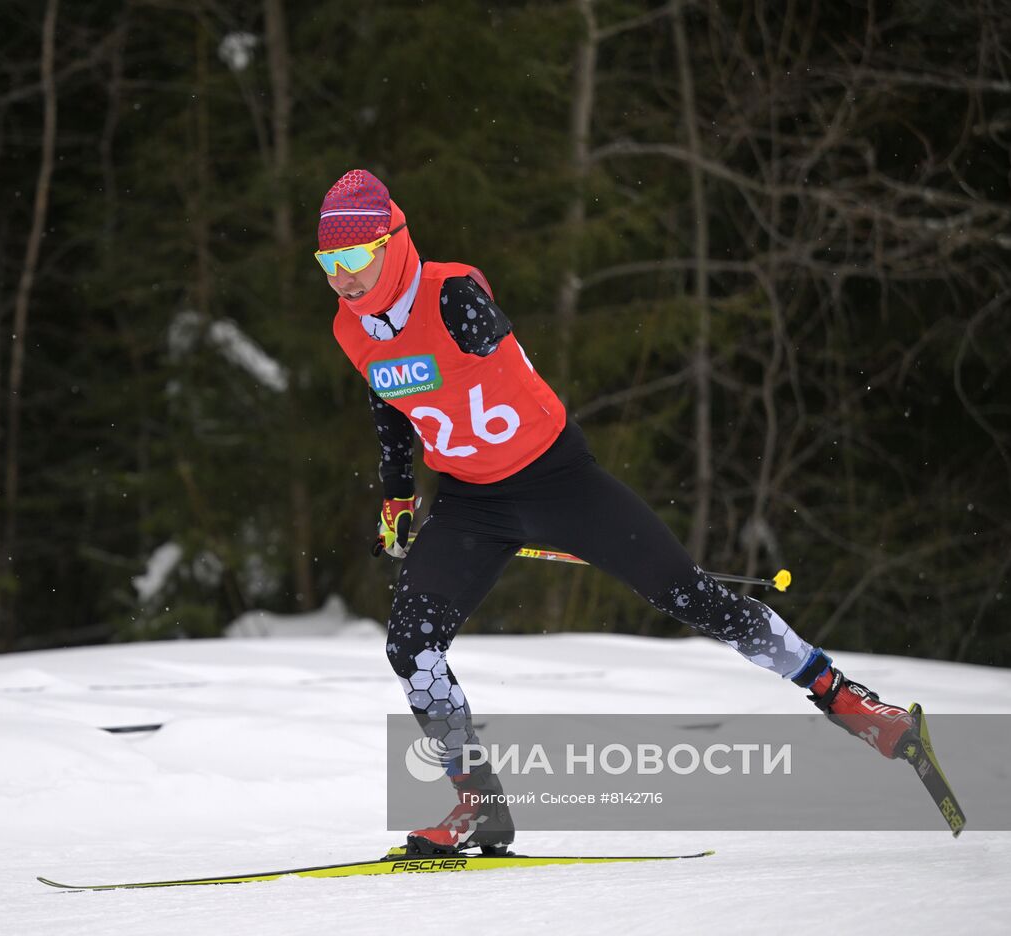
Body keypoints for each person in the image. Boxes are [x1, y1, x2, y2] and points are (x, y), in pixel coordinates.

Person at [318, 169, 915, 856]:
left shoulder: (452, 294)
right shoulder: (348, 326)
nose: (342, 279)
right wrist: (397, 496)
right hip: (470, 503)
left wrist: (454, 322)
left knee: (696, 599)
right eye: (328, 264)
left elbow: (479, 311)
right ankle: (476, 803)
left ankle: (847, 700)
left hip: (557, 479)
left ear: (391, 247)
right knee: (410, 646)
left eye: (354, 260)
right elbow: (389, 406)